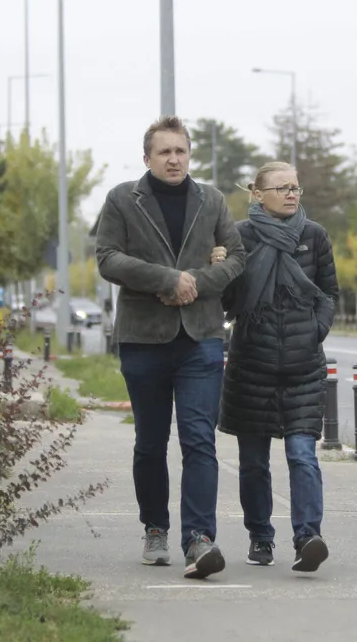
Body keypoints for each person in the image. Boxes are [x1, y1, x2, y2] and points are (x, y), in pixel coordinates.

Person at [94, 115, 246, 579]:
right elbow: (108, 258)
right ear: (147, 158)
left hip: (200, 337)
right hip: (143, 339)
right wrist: (166, 279)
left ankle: (199, 540)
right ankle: (155, 529)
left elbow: (237, 257)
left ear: (189, 155)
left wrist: (193, 283)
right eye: (164, 152)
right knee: (150, 441)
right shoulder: (123, 199)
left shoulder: (212, 200)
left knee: (200, 440)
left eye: (180, 151)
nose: (174, 159)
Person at [218, 160, 339, 572]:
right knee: (253, 462)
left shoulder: (314, 235)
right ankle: (260, 537)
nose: (291, 194)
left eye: (295, 188)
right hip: (251, 365)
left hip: (303, 366)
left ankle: (308, 538)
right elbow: (228, 301)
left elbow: (329, 292)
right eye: (282, 187)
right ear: (258, 194)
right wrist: (219, 267)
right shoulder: (239, 236)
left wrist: (315, 330)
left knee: (303, 455)